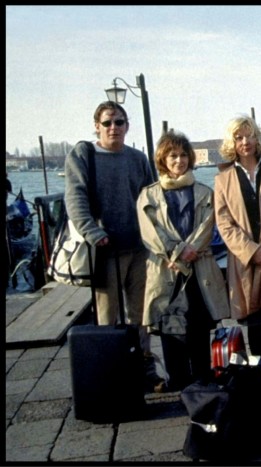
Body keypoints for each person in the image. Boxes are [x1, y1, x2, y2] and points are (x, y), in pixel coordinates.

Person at [64, 101, 164, 392]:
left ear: (126, 126)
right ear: (97, 125)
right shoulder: (84, 156)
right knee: (107, 316)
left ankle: (144, 368)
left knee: (141, 315)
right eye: (107, 122)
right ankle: (111, 373)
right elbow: (76, 199)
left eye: (119, 122)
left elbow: (152, 199)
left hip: (139, 248)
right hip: (105, 250)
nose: (113, 128)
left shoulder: (137, 158)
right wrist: (93, 232)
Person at [137, 130, 229, 391]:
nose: (179, 161)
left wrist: (188, 251)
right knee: (169, 325)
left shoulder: (203, 192)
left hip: (198, 267)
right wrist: (176, 252)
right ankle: (177, 379)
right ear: (162, 160)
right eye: (172, 156)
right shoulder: (149, 195)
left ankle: (202, 378)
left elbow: (207, 225)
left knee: (199, 323)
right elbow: (150, 231)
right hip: (166, 269)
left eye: (182, 155)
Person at [215, 116, 261, 360]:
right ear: (232, 142)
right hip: (245, 260)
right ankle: (257, 374)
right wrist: (252, 250)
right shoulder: (223, 179)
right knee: (252, 321)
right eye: (239, 137)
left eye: (250, 136)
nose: (245, 142)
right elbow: (224, 223)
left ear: (257, 138)